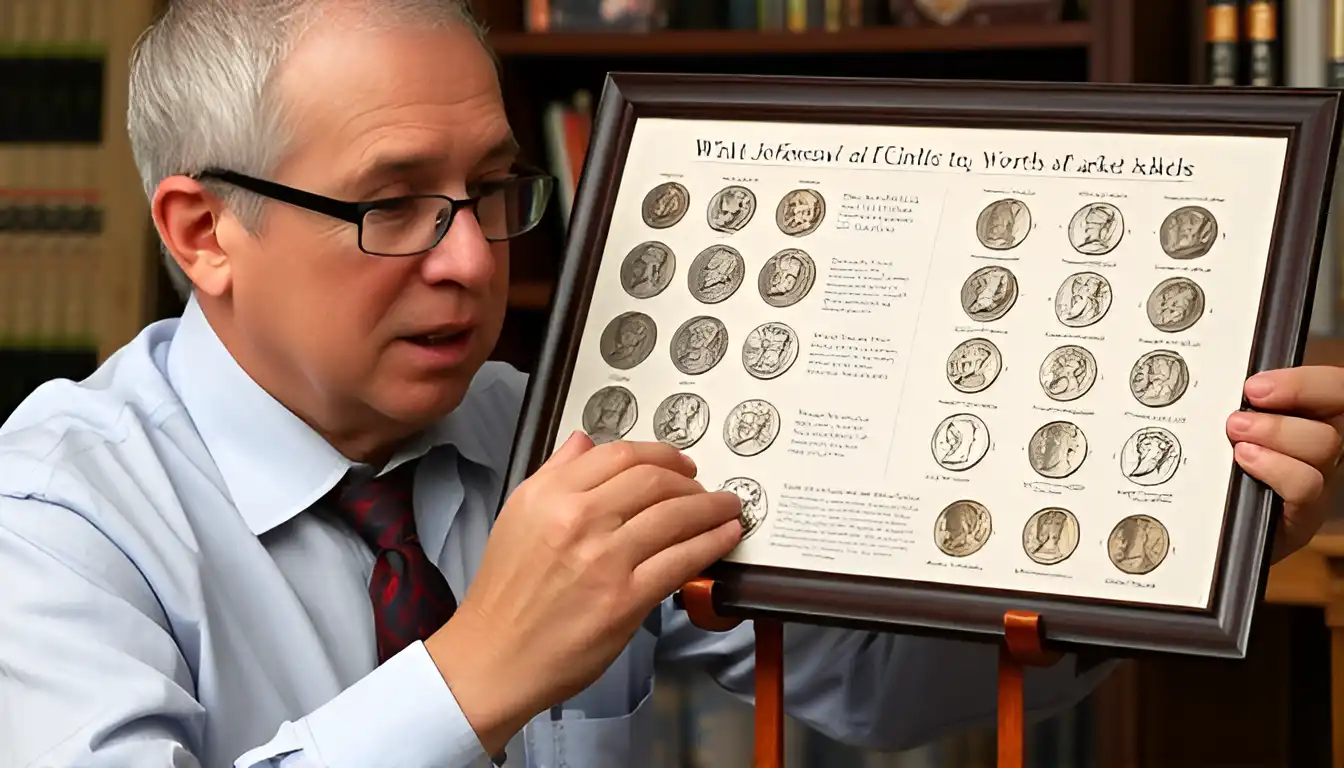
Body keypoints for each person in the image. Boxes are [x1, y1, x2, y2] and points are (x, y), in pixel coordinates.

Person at [1, 2, 1341, 767]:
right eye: (393, 205)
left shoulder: (541, 425)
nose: (472, 260)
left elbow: (872, 685)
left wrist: (1171, 554)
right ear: (201, 232)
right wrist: (477, 674)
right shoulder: (49, 517)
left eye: (492, 192)